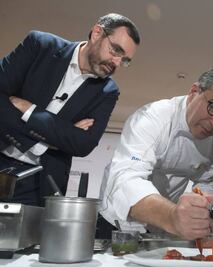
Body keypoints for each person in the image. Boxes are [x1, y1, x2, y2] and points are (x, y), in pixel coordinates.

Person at [0, 13, 140, 206]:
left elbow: (82, 145)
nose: (116, 63)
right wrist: (61, 132)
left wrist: (29, 110)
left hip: (40, 185)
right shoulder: (40, 45)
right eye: (115, 50)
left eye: (125, 60)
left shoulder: (107, 91)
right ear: (97, 33)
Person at [99, 67, 213, 240]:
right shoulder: (152, 118)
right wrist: (172, 216)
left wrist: (198, 212)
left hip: (165, 226)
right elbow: (126, 178)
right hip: (120, 220)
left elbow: (207, 181)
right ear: (194, 92)